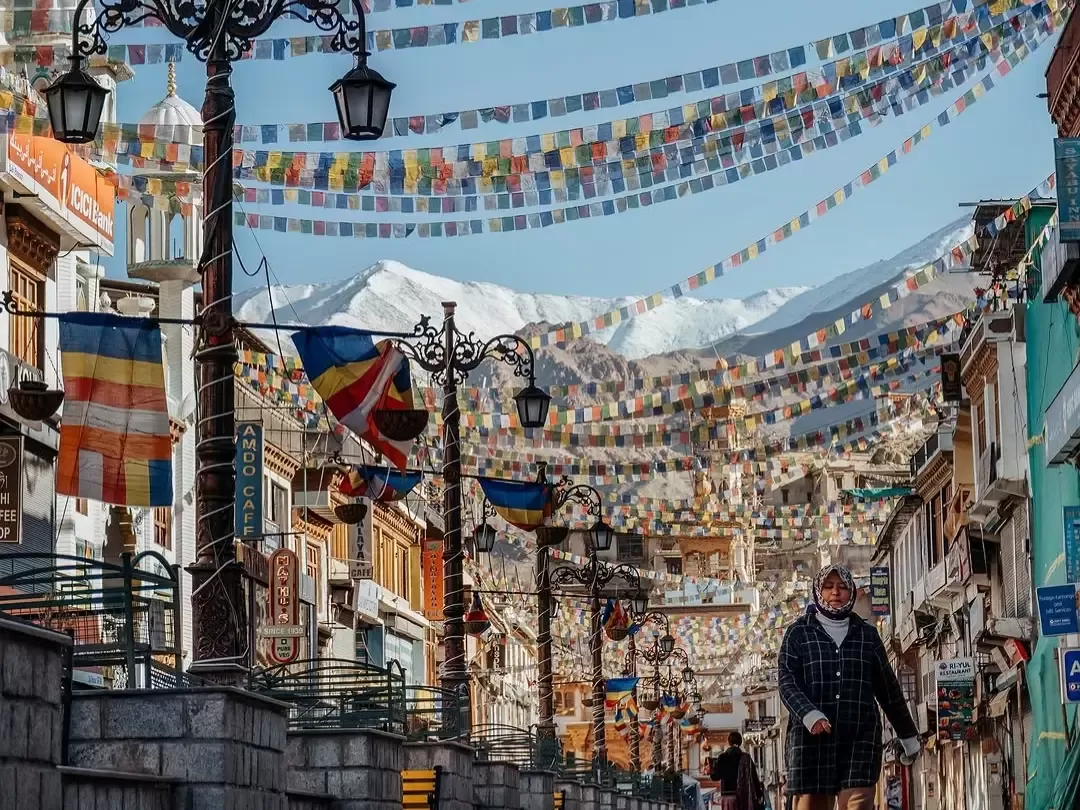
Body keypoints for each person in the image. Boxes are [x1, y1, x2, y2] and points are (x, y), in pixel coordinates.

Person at [778, 564, 921, 810]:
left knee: (857, 804)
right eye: (828, 586)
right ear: (818, 591)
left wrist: (908, 735)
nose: (835, 592)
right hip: (811, 745)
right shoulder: (798, 633)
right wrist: (809, 714)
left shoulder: (867, 636)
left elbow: (888, 689)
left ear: (852, 592)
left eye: (843, 587)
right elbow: (786, 681)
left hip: (859, 742)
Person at [709, 731, 764, 810]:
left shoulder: (723, 757)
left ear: (728, 742)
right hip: (744, 796)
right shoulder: (746, 757)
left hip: (727, 795)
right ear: (740, 742)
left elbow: (715, 777)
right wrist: (759, 794)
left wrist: (711, 768)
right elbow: (754, 777)